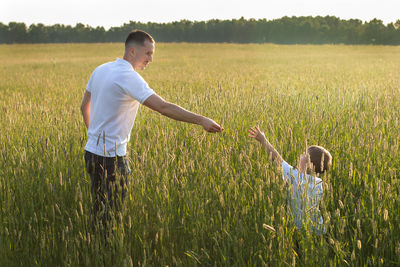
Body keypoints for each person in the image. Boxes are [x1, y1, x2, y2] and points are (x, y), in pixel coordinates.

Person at [80, 29, 223, 225]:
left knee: (98, 211)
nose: (151, 59)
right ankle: (105, 250)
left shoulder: (101, 69)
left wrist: (93, 135)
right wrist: (201, 120)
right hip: (112, 159)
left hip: (91, 153)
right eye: (148, 53)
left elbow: (84, 106)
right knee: (112, 218)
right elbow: (163, 107)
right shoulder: (128, 77)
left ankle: (94, 249)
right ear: (132, 51)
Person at [248, 126, 332, 234]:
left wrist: (263, 140)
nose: (300, 155)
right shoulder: (319, 183)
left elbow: (277, 159)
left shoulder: (295, 177)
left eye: (303, 154)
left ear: (308, 164)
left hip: (298, 228)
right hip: (317, 228)